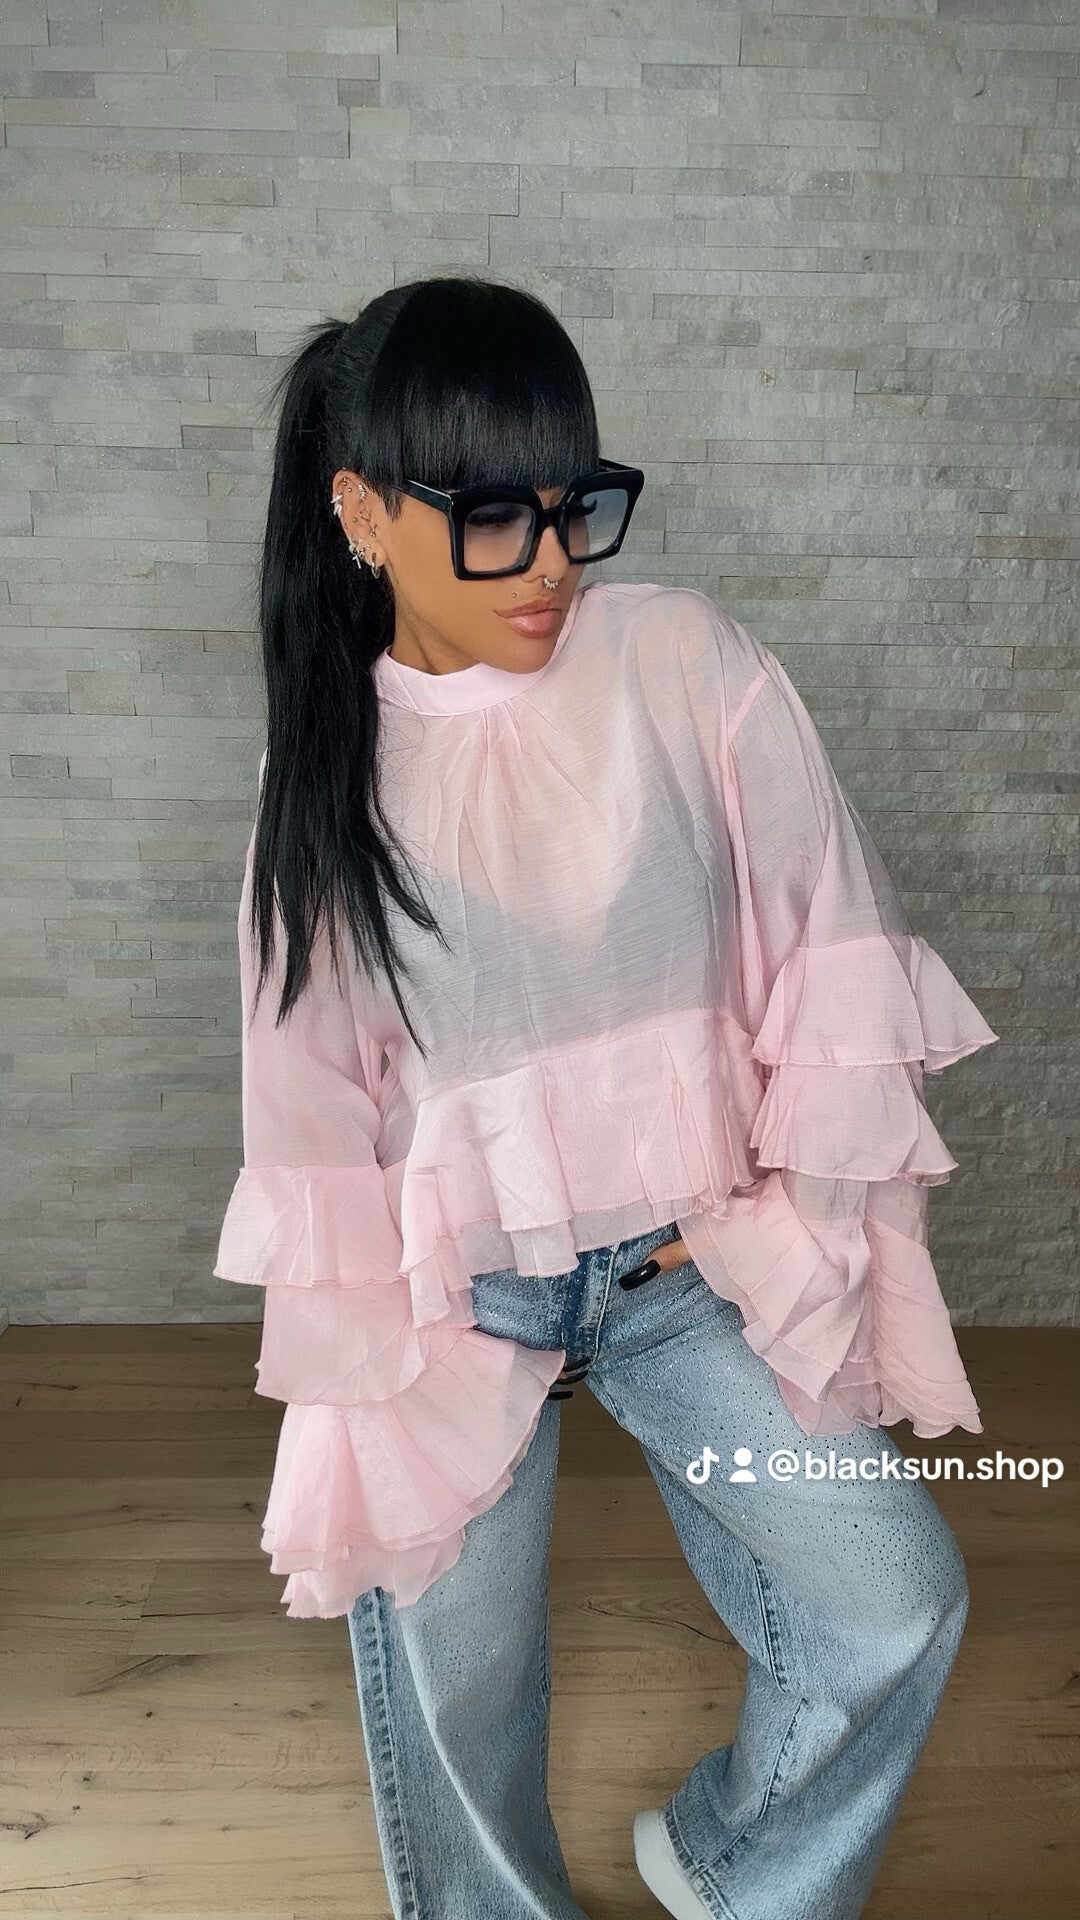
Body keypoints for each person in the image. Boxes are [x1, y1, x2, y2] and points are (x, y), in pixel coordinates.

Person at [212, 273, 1000, 1920]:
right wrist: (372, 1361)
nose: (553, 563)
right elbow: (310, 1103)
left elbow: (827, 945)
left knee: (895, 1597)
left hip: (683, 1269)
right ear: (362, 514)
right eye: (495, 518)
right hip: (460, 1304)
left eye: (575, 507)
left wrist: (786, 1222)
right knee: (461, 1702)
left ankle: (735, 1863)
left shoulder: (687, 663)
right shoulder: (325, 770)